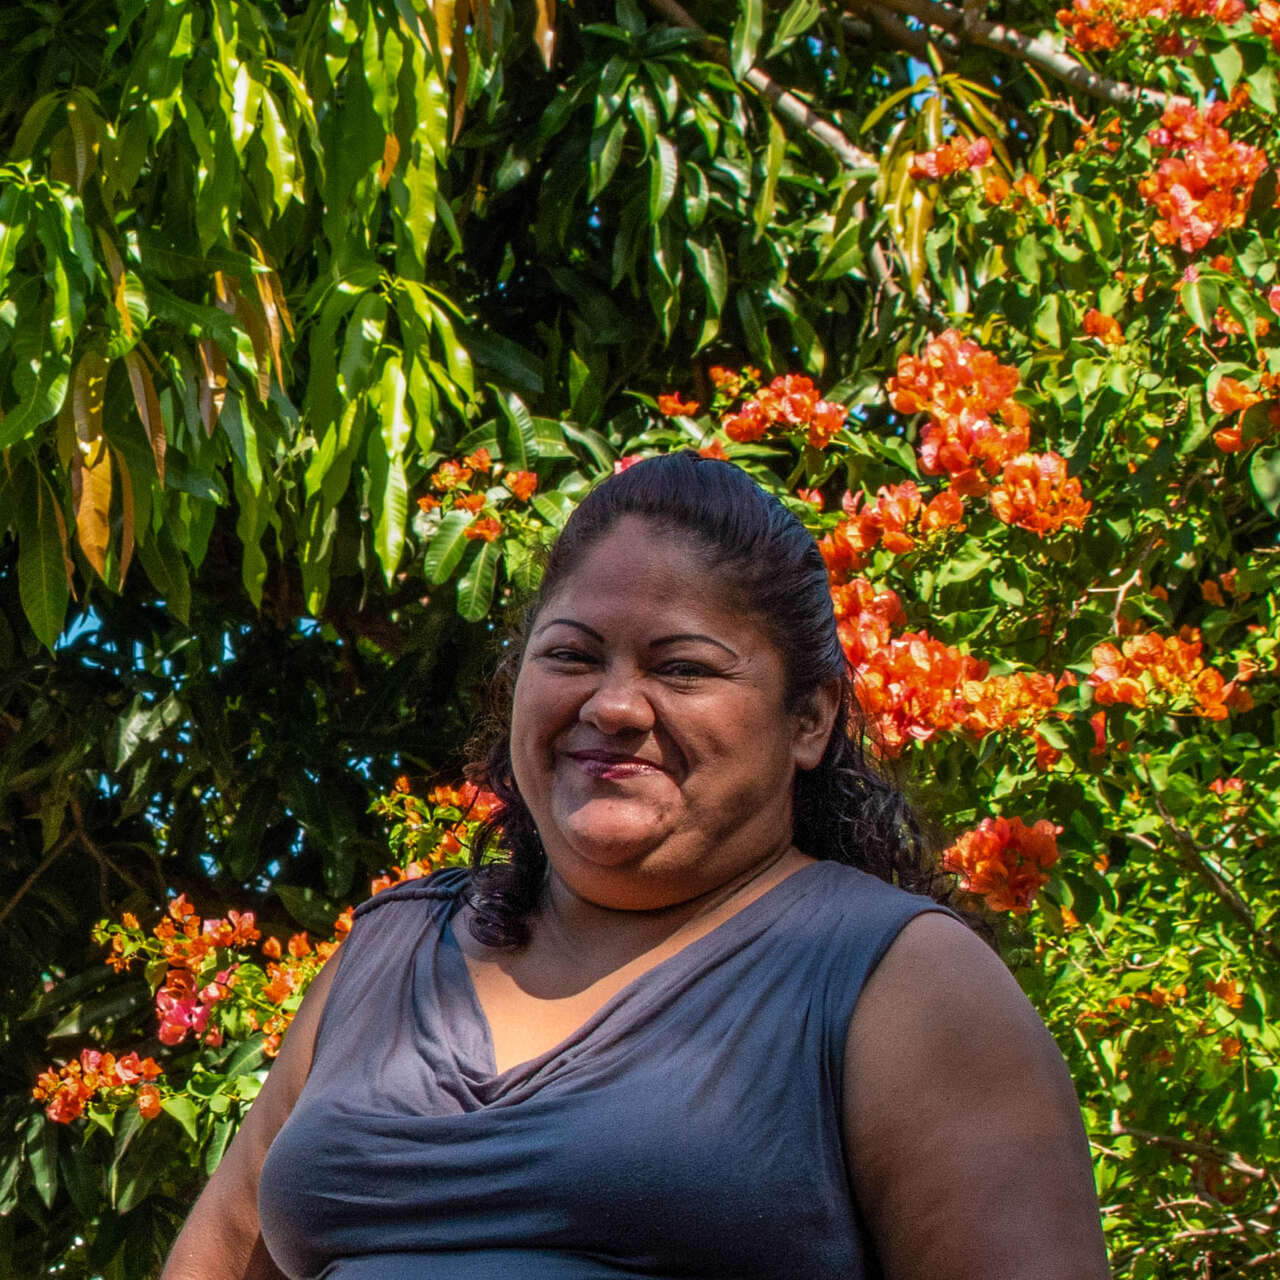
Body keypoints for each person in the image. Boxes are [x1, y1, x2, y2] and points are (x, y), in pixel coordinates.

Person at [162, 452, 1110, 1280]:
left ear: (810, 719)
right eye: (571, 655)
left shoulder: (900, 981)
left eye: (683, 667)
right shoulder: (390, 954)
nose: (614, 706)